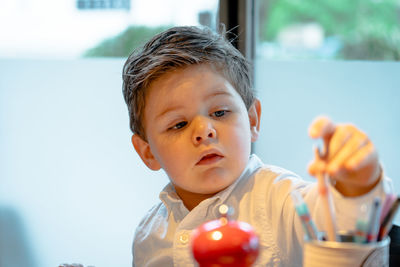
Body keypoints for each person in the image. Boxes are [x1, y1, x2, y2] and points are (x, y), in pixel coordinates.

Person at [122, 26, 393, 266]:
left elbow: (343, 228)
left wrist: (359, 182)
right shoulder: (148, 235)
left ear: (252, 120)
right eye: (179, 124)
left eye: (220, 112)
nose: (204, 131)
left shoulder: (280, 198)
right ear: (147, 151)